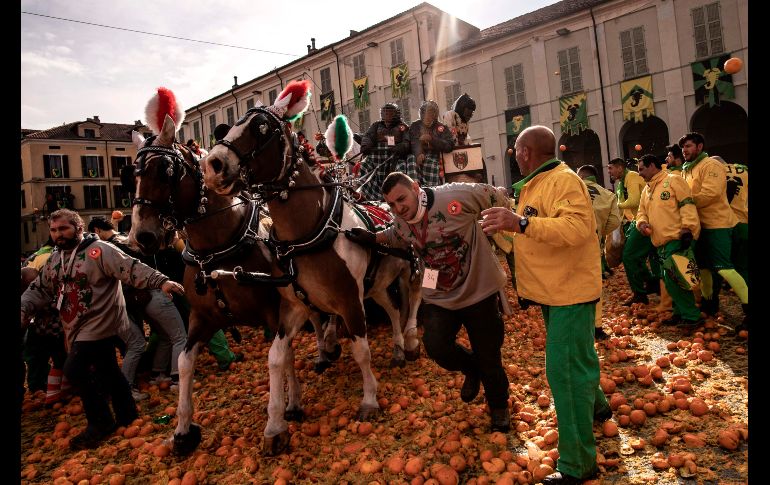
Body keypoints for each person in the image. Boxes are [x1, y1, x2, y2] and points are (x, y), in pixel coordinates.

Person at [481, 125, 609, 485]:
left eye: (516, 151)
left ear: (526, 152)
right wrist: (502, 227)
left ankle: (578, 464)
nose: (514, 157)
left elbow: (576, 228)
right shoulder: (538, 184)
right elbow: (534, 234)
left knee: (564, 373)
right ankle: (598, 406)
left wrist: (519, 222)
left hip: (569, 292)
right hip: (556, 290)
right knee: (578, 357)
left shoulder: (563, 181)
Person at [346, 172, 512, 432]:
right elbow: (396, 235)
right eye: (391, 204)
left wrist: (505, 218)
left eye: (402, 199)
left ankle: (499, 407)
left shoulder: (455, 195)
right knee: (435, 346)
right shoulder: (401, 221)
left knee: (489, 354)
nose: (398, 208)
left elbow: (495, 195)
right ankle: (471, 368)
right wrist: (372, 238)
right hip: (440, 295)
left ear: (415, 187)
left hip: (479, 290)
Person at [21, 209, 185, 450]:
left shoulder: (100, 251)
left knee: (74, 369)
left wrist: (161, 281)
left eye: (64, 229)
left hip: (100, 323)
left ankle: (100, 422)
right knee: (109, 369)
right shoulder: (55, 260)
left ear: (78, 228)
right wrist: (23, 309)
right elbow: (39, 289)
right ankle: (127, 413)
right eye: (54, 230)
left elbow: (129, 267)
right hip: (75, 326)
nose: (58, 234)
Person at [678, 133, 748, 328]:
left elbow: (711, 193)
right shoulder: (686, 169)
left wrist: (684, 201)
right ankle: (710, 304)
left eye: (689, 146)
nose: (685, 151)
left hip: (719, 224)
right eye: (683, 147)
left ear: (700, 147)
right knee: (704, 267)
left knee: (724, 268)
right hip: (701, 226)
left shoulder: (711, 165)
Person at [634, 154, 703, 327]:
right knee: (672, 282)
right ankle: (680, 313)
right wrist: (641, 224)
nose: (639, 174)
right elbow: (641, 213)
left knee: (677, 280)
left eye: (641, 169)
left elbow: (687, 204)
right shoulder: (647, 189)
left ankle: (692, 316)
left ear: (652, 166)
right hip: (660, 243)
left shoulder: (673, 180)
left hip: (677, 238)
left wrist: (688, 228)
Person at [22, 237, 70, 406]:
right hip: (53, 328)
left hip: (41, 327)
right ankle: (55, 392)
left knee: (40, 359)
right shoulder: (54, 259)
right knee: (58, 360)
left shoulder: (36, 257)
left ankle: (48, 392)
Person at [577, 164, 622, 340]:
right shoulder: (608, 195)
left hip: (568, 245)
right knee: (594, 286)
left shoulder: (570, 190)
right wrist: (600, 232)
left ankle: (575, 324)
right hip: (593, 245)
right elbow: (615, 222)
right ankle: (596, 326)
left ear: (580, 175)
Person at [607, 158, 658, 304]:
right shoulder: (621, 183)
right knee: (637, 257)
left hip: (646, 221)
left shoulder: (631, 177)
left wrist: (616, 205)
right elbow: (627, 205)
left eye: (611, 168)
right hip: (637, 221)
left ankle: (640, 294)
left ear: (620, 168)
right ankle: (652, 282)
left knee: (629, 256)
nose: (609, 172)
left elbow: (634, 201)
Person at [358, 103, 410, 201]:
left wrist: (399, 147)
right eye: (385, 113)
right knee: (364, 166)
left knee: (401, 167)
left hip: (394, 156)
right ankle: (369, 196)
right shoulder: (376, 125)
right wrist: (366, 145)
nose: (387, 115)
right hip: (376, 155)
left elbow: (407, 142)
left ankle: (399, 195)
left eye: (390, 113)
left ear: (396, 114)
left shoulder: (402, 126)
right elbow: (368, 136)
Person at [404, 100, 454, 187]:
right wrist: (419, 153)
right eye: (425, 113)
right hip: (417, 156)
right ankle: (415, 187)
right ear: (421, 114)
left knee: (431, 165)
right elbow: (413, 140)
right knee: (410, 159)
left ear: (435, 115)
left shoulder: (441, 127)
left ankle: (430, 190)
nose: (427, 116)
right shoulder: (415, 126)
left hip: (435, 157)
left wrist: (432, 139)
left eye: (430, 113)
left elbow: (449, 145)